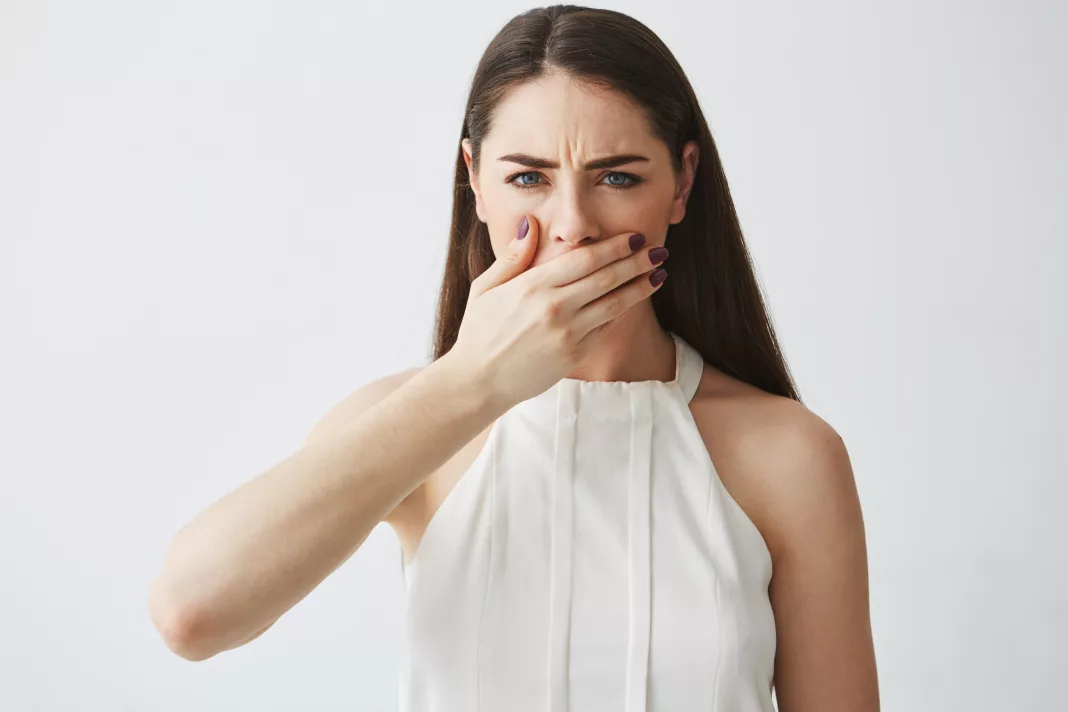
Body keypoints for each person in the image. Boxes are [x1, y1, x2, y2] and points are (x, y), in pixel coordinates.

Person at [148, 5, 879, 711]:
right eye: (528, 178)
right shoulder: (414, 424)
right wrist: (472, 382)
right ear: (475, 179)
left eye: (617, 177)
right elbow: (191, 612)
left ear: (682, 183)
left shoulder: (789, 455)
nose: (573, 226)